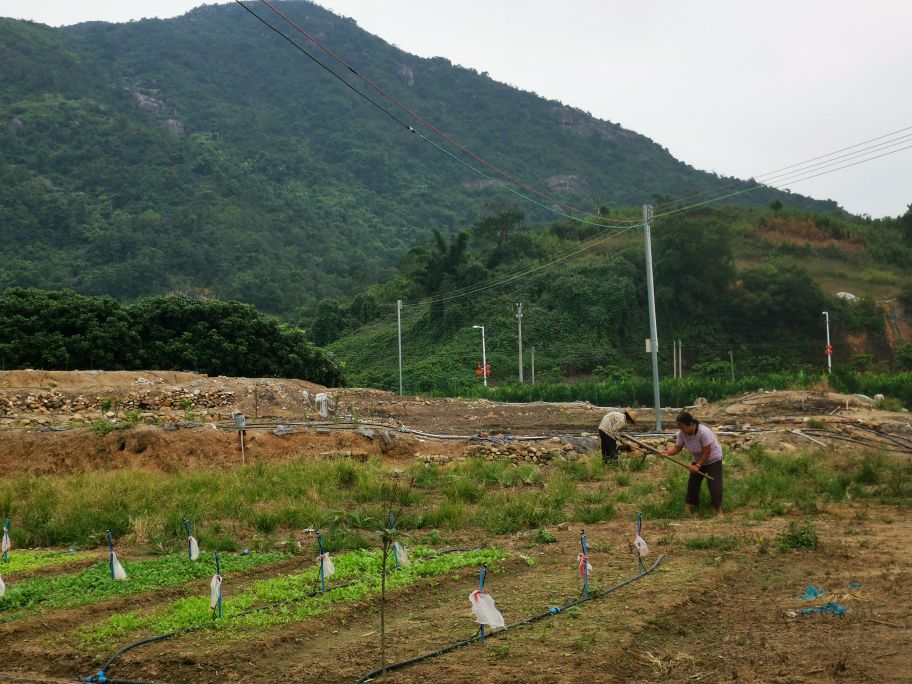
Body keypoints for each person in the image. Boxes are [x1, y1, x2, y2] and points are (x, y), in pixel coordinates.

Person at [659, 411, 724, 518]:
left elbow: (707, 451)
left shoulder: (703, 432)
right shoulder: (682, 434)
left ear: (690, 424)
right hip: (698, 459)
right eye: (679, 427)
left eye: (682, 427)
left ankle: (718, 510)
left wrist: (698, 466)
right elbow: (677, 448)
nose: (681, 430)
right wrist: (666, 453)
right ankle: (688, 508)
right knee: (693, 483)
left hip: (713, 459)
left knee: (714, 485)